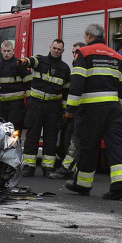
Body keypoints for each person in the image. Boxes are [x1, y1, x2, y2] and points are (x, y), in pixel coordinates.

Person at [63, 23, 122, 200]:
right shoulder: (118, 57)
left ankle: (83, 184)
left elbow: (77, 82)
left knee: (88, 146)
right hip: (113, 109)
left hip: (91, 110)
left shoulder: (84, 53)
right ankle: (121, 185)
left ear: (88, 36)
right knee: (116, 146)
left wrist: (70, 109)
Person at [18, 39, 71, 177]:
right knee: (32, 135)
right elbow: (30, 61)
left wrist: (65, 111)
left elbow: (65, 92)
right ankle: (29, 166)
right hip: (36, 105)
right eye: (54, 48)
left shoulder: (65, 69)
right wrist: (24, 61)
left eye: (59, 49)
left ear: (62, 51)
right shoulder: (40, 60)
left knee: (51, 137)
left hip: (53, 108)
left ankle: (48, 168)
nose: (56, 51)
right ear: (50, 47)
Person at [49, 41, 86, 180]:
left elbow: (76, 91)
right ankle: (78, 170)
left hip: (81, 111)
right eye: (73, 52)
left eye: (77, 52)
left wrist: (69, 110)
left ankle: (66, 169)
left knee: (75, 143)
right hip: (79, 111)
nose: (74, 55)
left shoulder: (81, 66)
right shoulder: (78, 65)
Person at [0, 40, 30, 130]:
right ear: (1, 50)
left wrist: (29, 103)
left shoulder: (19, 64)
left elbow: (29, 83)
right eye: (4, 51)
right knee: (1, 131)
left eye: (8, 51)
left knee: (14, 132)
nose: (6, 53)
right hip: (2, 107)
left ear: (13, 50)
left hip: (16, 106)